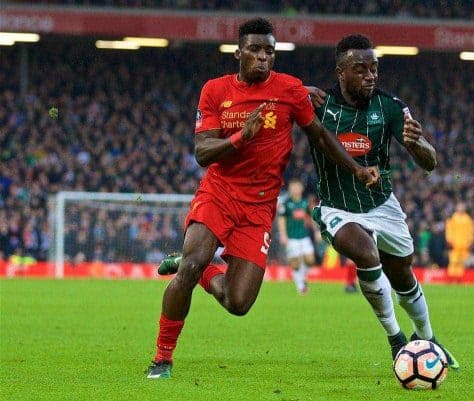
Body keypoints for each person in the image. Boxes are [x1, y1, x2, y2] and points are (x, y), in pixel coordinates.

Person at [146, 18, 378, 379]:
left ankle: (204, 268)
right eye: (255, 49)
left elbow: (319, 134)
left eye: (270, 51)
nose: (263, 57)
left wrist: (356, 169)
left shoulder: (288, 90)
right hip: (219, 192)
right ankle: (162, 358)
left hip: (259, 205)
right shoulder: (214, 90)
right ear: (238, 52)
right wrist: (242, 136)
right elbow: (203, 152)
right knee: (189, 267)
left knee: (238, 303)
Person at [307, 34, 459, 368]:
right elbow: (270, 95)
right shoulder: (320, 104)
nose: (370, 75)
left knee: (403, 276)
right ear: (341, 72)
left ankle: (429, 339)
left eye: (373, 68)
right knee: (365, 252)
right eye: (360, 69)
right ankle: (396, 340)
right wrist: (296, 89)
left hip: (382, 205)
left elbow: (429, 161)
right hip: (337, 205)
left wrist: (417, 144)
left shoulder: (389, 106)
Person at [277, 178, 320, 294]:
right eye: (293, 187)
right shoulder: (286, 204)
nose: (295, 189)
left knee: (310, 260)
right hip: (291, 238)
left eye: (297, 186)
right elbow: (281, 220)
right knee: (295, 264)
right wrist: (283, 235)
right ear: (290, 188)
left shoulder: (305, 202)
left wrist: (316, 231)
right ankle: (301, 286)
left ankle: (303, 277)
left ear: (301, 188)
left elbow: (311, 218)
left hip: (304, 236)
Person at [445, 202, 474, 283]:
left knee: (461, 263)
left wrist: (471, 241)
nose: (461, 208)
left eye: (462, 207)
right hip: (455, 244)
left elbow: (471, 231)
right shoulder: (453, 218)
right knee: (453, 261)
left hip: (464, 245)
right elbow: (449, 229)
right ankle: (451, 278)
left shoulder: (468, 219)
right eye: (459, 207)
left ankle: (459, 279)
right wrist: (449, 240)